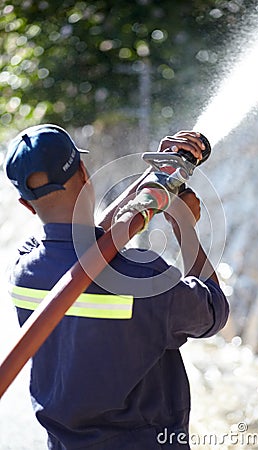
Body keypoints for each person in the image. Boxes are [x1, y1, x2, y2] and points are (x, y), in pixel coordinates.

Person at [4, 124, 229, 450]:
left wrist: (156, 177)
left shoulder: (24, 272)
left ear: (26, 204)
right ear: (85, 171)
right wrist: (183, 225)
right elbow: (214, 309)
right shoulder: (144, 280)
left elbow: (87, 246)